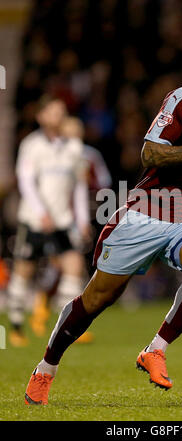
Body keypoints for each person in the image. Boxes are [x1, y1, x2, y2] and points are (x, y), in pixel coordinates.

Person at [24, 36, 182, 405]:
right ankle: (45, 368)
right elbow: (150, 154)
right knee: (96, 299)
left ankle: (156, 349)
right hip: (148, 211)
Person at [7, 96, 91, 347]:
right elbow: (26, 182)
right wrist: (40, 212)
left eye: (61, 112)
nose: (58, 116)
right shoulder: (32, 145)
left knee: (74, 267)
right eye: (53, 112)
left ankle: (65, 327)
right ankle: (16, 327)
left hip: (62, 221)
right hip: (34, 221)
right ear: (41, 116)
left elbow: (78, 187)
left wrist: (83, 219)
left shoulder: (73, 148)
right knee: (24, 272)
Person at [29, 117, 112, 337]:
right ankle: (58, 317)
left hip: (81, 217)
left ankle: (52, 313)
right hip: (56, 218)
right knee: (64, 265)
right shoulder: (52, 156)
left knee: (70, 267)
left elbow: (104, 182)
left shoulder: (90, 155)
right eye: (69, 133)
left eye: (77, 133)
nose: (73, 137)